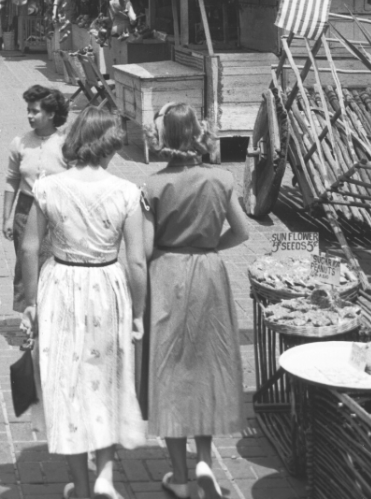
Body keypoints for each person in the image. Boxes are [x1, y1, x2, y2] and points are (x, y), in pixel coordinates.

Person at [19, 106, 147, 499]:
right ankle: (106, 476)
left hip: (60, 284)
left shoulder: (48, 187)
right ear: (110, 145)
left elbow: (28, 247)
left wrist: (29, 302)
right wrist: (138, 313)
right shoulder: (127, 192)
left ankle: (84, 486)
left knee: (67, 382)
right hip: (107, 285)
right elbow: (137, 261)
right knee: (106, 376)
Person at [140, 103, 249, 499]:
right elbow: (243, 232)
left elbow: (147, 246)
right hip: (209, 273)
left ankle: (181, 476)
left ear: (165, 137)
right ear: (198, 133)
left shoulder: (153, 186)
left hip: (167, 272)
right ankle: (205, 459)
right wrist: (209, 246)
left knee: (169, 374)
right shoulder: (222, 178)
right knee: (206, 366)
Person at [3, 86, 69, 313]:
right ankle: (29, 318)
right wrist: (6, 218)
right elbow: (12, 180)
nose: (29, 116)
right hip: (26, 207)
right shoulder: (20, 143)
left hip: (57, 210)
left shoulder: (66, 144)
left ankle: (53, 316)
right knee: (26, 263)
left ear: (51, 114)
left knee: (54, 264)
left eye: (35, 111)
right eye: (28, 111)